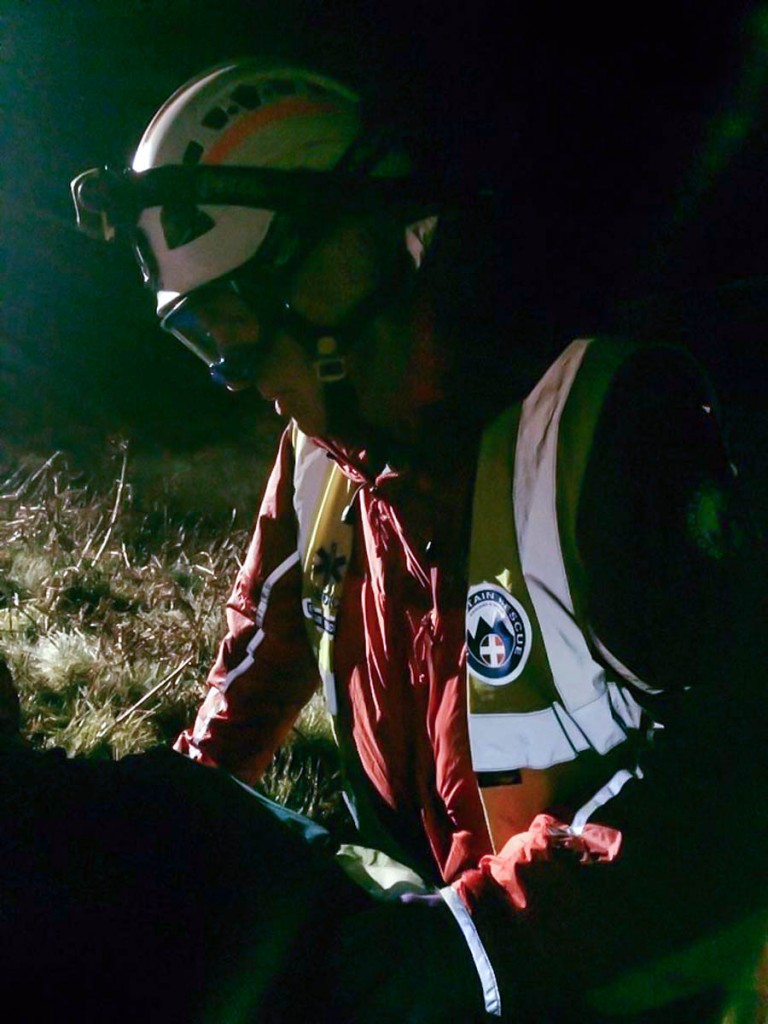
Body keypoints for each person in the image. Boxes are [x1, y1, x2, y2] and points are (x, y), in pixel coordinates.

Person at [71, 59, 767, 1021]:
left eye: (234, 323)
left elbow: (734, 771)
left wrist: (475, 943)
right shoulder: (322, 459)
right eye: (202, 337)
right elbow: (257, 664)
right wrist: (169, 819)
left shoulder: (603, 433)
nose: (232, 374)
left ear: (338, 270)